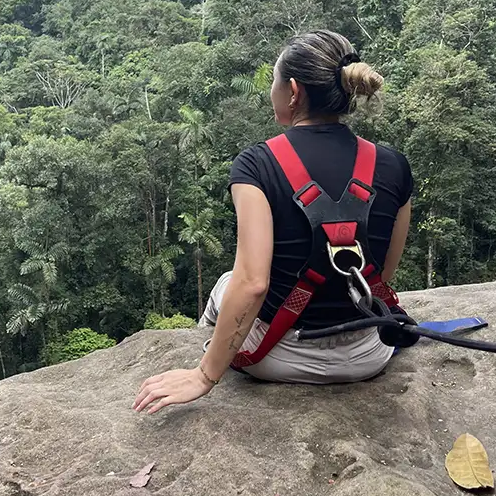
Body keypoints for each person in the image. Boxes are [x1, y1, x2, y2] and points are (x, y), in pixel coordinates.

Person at [133, 30, 413, 414]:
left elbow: (253, 284)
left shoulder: (257, 165)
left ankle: (206, 350)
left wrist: (203, 377)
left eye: (274, 82)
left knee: (228, 284)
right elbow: (384, 271)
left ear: (293, 91)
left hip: (279, 357)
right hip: (370, 351)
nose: (272, 91)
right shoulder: (394, 164)